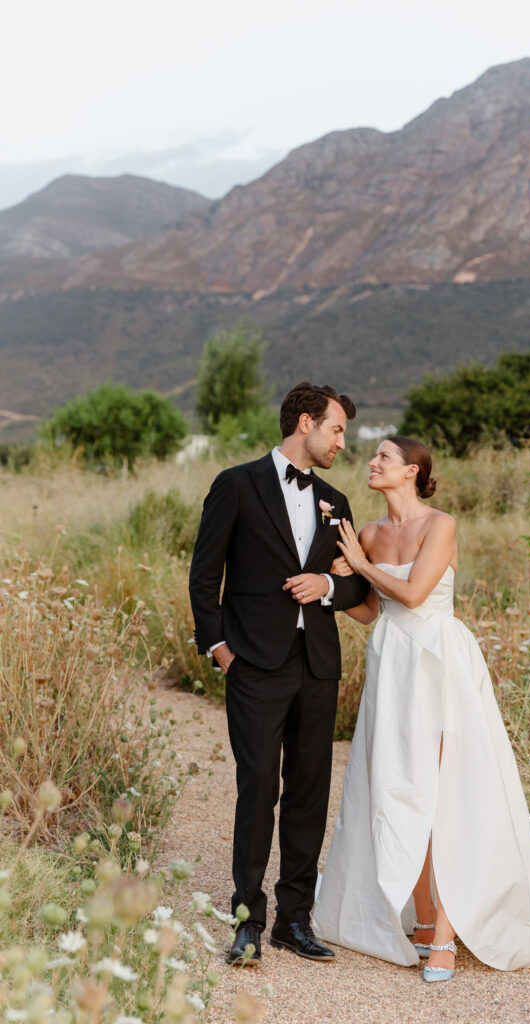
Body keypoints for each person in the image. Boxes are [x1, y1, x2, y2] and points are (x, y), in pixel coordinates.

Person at [312, 436, 530, 981]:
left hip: (441, 662)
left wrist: (360, 563)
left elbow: (413, 595)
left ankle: (449, 934)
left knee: (451, 791)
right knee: (399, 788)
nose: (372, 463)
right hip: (392, 665)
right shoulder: (369, 533)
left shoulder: (440, 524)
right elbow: (368, 610)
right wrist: (332, 585)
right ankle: (424, 921)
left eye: (383, 456)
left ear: (412, 470)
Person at [189, 382, 369, 966]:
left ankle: (296, 919)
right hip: (253, 664)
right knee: (258, 785)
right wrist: (219, 647)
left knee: (310, 792)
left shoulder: (336, 501)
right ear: (306, 424)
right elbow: (204, 574)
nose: (344, 441)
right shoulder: (236, 485)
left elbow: (358, 584)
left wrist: (328, 587)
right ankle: (247, 919)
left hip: (317, 664)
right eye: (337, 429)